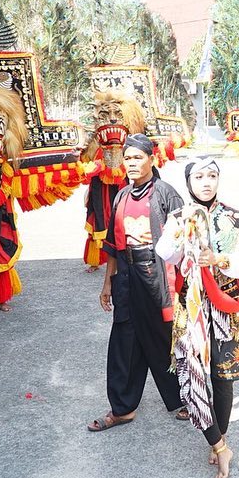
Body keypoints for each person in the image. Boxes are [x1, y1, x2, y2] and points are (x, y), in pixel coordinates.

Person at [156, 157, 239, 478]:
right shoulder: (178, 217)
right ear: (189, 181)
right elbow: (165, 252)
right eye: (199, 176)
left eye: (212, 175)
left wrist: (219, 259)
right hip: (191, 308)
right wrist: (182, 238)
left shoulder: (234, 217)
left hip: (225, 307)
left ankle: (218, 439)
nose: (206, 182)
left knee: (223, 380)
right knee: (192, 379)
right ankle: (220, 445)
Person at [88, 134, 185, 432]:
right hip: (127, 277)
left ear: (151, 160)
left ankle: (186, 398)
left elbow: (183, 244)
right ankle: (123, 408)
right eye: (127, 158)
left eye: (137, 157)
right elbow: (114, 246)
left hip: (157, 277)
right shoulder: (121, 196)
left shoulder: (167, 195)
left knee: (163, 339)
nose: (131, 163)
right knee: (124, 341)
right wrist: (108, 284)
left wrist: (184, 289)